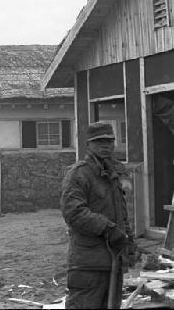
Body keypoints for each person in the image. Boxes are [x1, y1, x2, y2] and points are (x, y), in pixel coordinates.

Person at [61, 122, 135, 309]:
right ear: (88, 145)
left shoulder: (113, 174)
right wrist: (108, 229)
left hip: (113, 263)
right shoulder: (79, 174)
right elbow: (74, 212)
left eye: (110, 142)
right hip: (88, 265)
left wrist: (129, 244)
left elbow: (122, 214)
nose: (106, 146)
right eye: (99, 141)